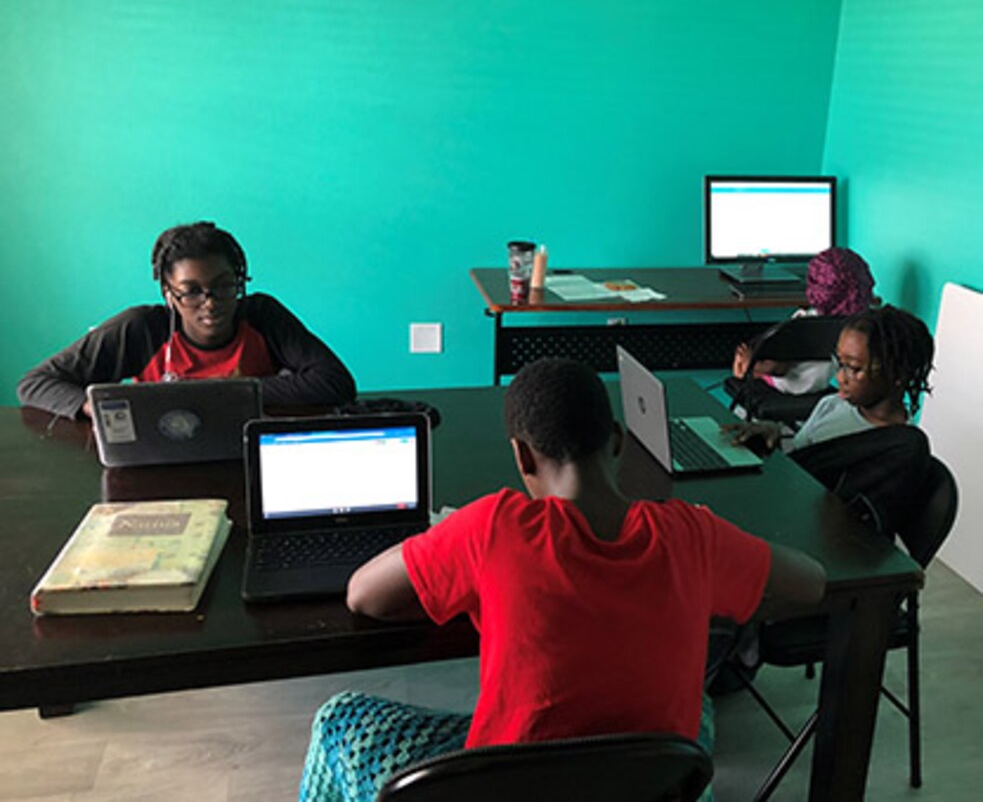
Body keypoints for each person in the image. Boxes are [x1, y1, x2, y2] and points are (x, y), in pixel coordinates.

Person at [299, 358, 826, 802]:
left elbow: (364, 594)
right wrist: (717, 551)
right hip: (643, 783)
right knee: (700, 711)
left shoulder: (493, 526)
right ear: (617, 441)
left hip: (509, 785)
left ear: (521, 455)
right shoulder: (692, 534)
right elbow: (811, 582)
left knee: (337, 718)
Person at [17, 221, 356, 419]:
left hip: (243, 457)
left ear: (239, 282)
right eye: (191, 291)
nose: (210, 303)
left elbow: (335, 382)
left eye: (224, 287)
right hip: (158, 459)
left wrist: (220, 392)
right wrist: (93, 407)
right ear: (168, 292)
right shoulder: (141, 329)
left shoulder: (262, 316)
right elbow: (35, 383)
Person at [728, 304, 934, 453]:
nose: (840, 377)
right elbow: (801, 451)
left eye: (853, 368)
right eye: (839, 363)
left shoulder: (897, 447)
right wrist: (773, 432)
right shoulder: (831, 404)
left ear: (896, 374)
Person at [732, 247, 877, 395]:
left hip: (789, 387)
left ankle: (748, 367)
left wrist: (752, 363)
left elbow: (780, 368)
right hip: (825, 389)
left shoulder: (803, 322)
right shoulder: (860, 326)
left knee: (758, 360)